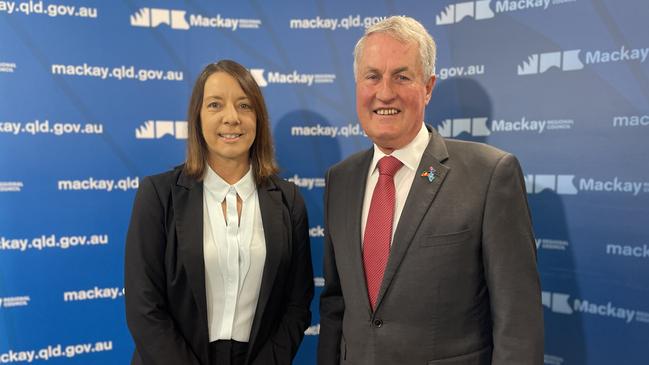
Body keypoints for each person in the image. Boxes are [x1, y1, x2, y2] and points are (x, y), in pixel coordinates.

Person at [318, 16, 543, 365]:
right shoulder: (340, 180)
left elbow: (518, 323)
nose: (385, 92)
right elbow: (336, 304)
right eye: (372, 76)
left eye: (402, 76)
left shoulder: (489, 175)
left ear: (428, 87)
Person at [125, 60, 314, 365]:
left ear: (259, 119)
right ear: (198, 118)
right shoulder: (158, 195)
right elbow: (143, 307)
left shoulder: (289, 201)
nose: (231, 118)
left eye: (244, 105)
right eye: (215, 105)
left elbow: (296, 306)